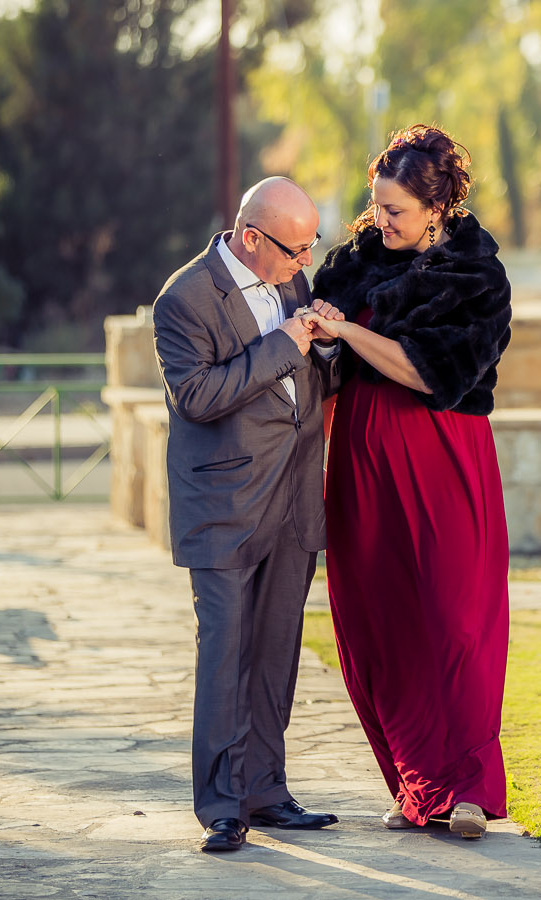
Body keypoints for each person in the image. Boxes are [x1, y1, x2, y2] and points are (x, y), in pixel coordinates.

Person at [306, 124, 512, 839]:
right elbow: (319, 348)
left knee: (454, 619)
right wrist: (325, 317)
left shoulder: (475, 275)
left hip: (444, 457)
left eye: (395, 210)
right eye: (376, 206)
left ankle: (469, 792)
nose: (381, 220)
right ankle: (418, 786)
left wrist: (351, 335)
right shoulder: (352, 264)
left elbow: (433, 375)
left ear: (436, 208)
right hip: (363, 456)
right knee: (378, 620)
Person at [152, 176, 346, 852]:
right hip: (224, 506)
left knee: (273, 654)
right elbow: (198, 397)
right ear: (252, 237)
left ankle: (267, 791)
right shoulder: (183, 299)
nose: (306, 259)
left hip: (293, 499)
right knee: (226, 654)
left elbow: (308, 382)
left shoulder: (291, 279)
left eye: (310, 244)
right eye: (297, 247)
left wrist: (323, 345)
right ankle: (222, 807)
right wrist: (284, 345)